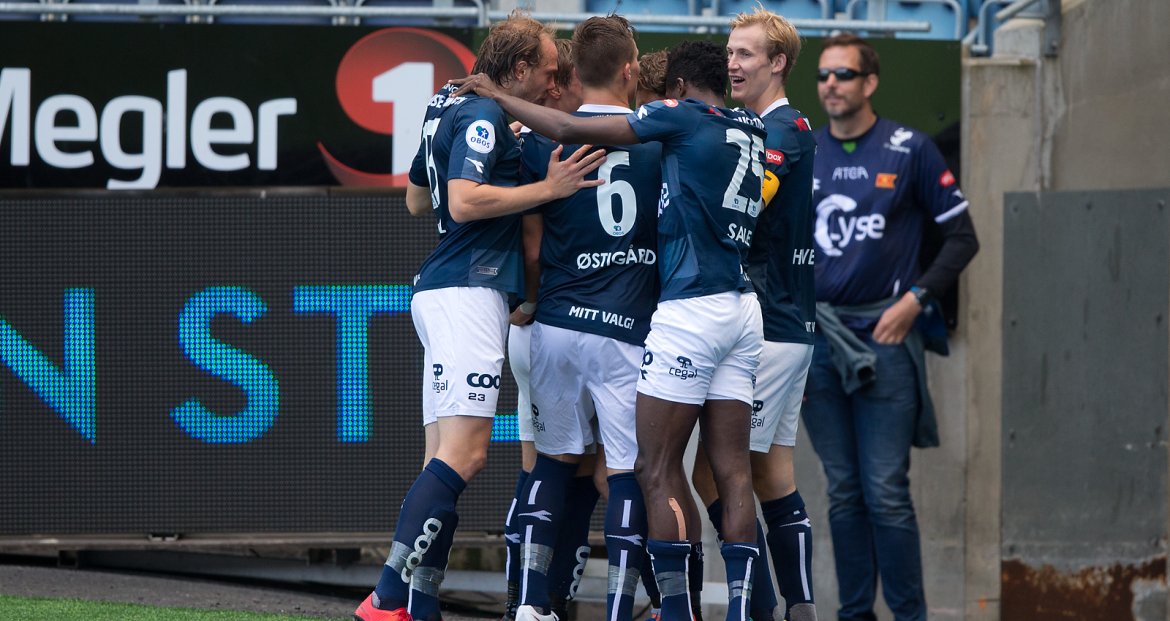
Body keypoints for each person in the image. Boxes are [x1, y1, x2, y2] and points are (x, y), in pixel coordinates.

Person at [453, 38, 768, 621]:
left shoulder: (668, 122)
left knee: (628, 466)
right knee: (723, 469)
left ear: (674, 88)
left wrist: (496, 95)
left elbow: (534, 225)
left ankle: (531, 605)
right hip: (711, 311)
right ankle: (693, 610)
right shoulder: (750, 126)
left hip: (592, 317)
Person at [354, 14, 607, 621]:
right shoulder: (483, 114)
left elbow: (419, 197)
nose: (553, 84)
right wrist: (547, 189)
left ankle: (419, 605)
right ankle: (386, 599)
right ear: (517, 69)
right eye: (547, 72)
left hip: (438, 290)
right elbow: (464, 203)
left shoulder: (447, 102)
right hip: (468, 293)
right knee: (465, 456)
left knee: (437, 459)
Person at [802, 33, 979, 621]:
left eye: (844, 75)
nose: (831, 85)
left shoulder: (910, 148)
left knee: (885, 493)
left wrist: (917, 300)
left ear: (870, 82)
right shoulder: (805, 152)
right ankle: (856, 614)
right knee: (844, 493)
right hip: (822, 345)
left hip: (885, 339)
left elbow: (962, 237)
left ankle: (910, 616)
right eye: (824, 75)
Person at [507, 16, 661, 621]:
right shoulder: (658, 140)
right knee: (625, 472)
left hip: (556, 322)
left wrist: (528, 303)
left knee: (551, 460)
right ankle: (620, 609)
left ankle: (527, 606)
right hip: (625, 329)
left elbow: (532, 245)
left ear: (570, 75)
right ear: (630, 70)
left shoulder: (545, 141)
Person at [689, 9, 819, 621]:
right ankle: (797, 606)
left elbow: (746, 203)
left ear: (778, 63)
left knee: (718, 476)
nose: (732, 63)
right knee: (769, 475)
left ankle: (765, 607)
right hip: (782, 325)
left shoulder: (783, 128)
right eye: (730, 52)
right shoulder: (761, 125)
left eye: (746, 54)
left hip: (770, 325)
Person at [500, 37, 591, 621]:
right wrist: (529, 301)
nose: (557, 84)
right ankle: (533, 602)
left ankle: (539, 603)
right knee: (559, 465)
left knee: (564, 466)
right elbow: (530, 245)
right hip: (552, 320)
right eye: (555, 74)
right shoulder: (544, 141)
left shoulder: (539, 136)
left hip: (552, 324)